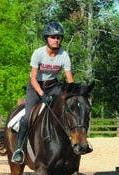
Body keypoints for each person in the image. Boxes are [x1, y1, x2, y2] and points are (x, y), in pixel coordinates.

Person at [11, 21, 74, 164]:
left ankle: (73, 142)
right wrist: (41, 94)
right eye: (53, 37)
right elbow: (33, 78)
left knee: (66, 110)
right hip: (35, 86)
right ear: (47, 38)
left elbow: (69, 79)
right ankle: (19, 150)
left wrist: (73, 93)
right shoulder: (38, 53)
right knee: (27, 118)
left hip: (53, 85)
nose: (56, 40)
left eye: (58, 37)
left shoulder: (64, 55)